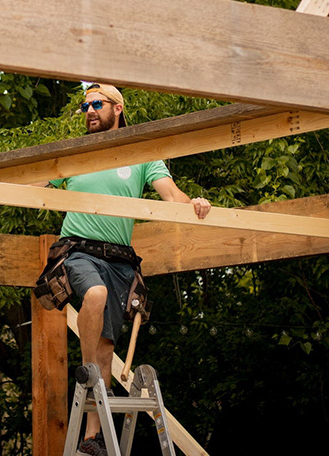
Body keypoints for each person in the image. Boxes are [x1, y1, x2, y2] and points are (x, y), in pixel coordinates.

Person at [44, 84, 211, 456]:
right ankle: (87, 376)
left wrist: (195, 203)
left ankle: (93, 438)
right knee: (95, 296)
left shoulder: (143, 155)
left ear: (117, 109)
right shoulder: (73, 153)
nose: (88, 110)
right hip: (77, 250)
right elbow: (35, 181)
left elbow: (173, 196)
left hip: (120, 261)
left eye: (96, 104)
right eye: (84, 105)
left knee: (105, 349)